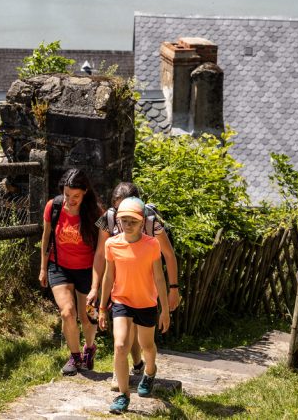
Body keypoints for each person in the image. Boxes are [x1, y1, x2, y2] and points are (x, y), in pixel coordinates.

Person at [89, 182, 179, 378]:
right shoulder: (109, 218)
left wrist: (174, 288)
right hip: (120, 282)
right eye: (120, 211)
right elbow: (99, 254)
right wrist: (95, 287)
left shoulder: (151, 221)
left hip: (145, 282)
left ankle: (141, 365)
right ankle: (121, 374)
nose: (125, 220)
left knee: (141, 335)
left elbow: (169, 255)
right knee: (122, 334)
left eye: (131, 215)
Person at [97, 197, 170, 414]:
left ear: (141, 223)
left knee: (146, 345)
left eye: (133, 221)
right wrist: (102, 308)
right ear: (118, 222)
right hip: (121, 301)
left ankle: (149, 371)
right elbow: (108, 277)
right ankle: (123, 395)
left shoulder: (151, 244)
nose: (128, 225)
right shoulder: (112, 244)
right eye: (124, 221)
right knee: (120, 346)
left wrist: (165, 310)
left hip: (146, 302)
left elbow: (159, 278)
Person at [38, 168, 104, 375]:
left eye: (76, 196)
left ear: (85, 192)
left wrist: (96, 283)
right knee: (67, 312)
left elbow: (102, 251)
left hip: (87, 269)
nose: (71, 200)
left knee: (88, 317)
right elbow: (46, 238)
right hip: (59, 267)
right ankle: (75, 357)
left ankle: (89, 347)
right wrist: (42, 268)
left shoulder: (97, 213)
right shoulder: (54, 206)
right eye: (67, 195)